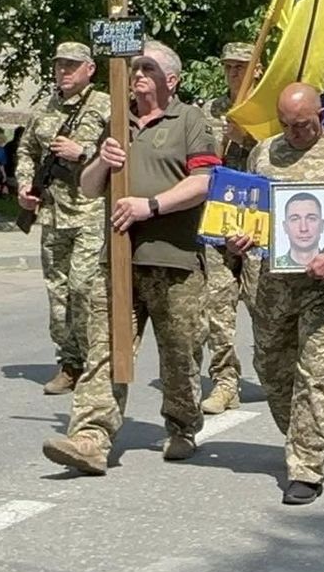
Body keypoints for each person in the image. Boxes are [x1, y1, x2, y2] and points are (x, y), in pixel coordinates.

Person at [42, 41, 220, 477]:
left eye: (147, 68)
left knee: (179, 354)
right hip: (120, 259)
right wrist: (102, 161)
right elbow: (88, 187)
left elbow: (204, 181)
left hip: (175, 261)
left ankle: (182, 425)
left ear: (170, 80)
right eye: (135, 67)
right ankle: (91, 437)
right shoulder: (118, 121)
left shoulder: (189, 120)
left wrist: (150, 206)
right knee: (105, 349)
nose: (137, 74)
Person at [230, 83, 324, 505]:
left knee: (317, 376)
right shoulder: (263, 153)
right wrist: (239, 237)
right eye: (286, 124)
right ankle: (300, 436)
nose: (294, 132)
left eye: (302, 124)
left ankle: (307, 467)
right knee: (271, 370)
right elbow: (248, 210)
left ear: (320, 115)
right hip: (271, 286)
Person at [18, 42, 112, 396]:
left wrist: (82, 152)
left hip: (91, 212)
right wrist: (24, 185)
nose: (64, 71)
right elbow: (27, 150)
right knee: (58, 293)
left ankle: (93, 362)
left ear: (90, 69)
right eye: (60, 65)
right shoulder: (45, 109)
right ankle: (69, 363)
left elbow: (123, 149)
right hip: (52, 213)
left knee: (83, 288)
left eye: (72, 65)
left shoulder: (106, 106)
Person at [201, 42, 262, 416]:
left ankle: (277, 369)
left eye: (242, 67)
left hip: (259, 221)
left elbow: (285, 159)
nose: (235, 73)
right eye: (229, 67)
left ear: (258, 70)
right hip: (219, 219)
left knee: (263, 303)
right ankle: (225, 381)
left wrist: (248, 140)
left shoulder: (271, 110)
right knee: (217, 305)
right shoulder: (210, 110)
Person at [274, 192, 324, 269]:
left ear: (322, 225)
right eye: (295, 219)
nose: (303, 228)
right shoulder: (275, 265)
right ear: (285, 227)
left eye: (311, 219)